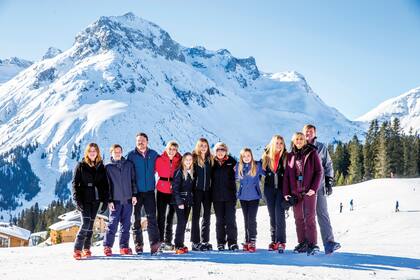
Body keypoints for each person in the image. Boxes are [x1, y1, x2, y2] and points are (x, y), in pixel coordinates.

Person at [303, 124, 341, 254]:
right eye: (306, 131)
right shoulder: (299, 146)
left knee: (323, 214)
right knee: (307, 216)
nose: (308, 133)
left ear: (315, 133)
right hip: (304, 189)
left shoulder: (321, 147)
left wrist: (329, 181)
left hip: (319, 187)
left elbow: (328, 165)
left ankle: (329, 243)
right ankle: (308, 243)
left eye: (311, 131)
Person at [283, 132, 322, 255]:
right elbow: (287, 176)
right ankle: (302, 243)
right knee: (298, 218)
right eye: (297, 139)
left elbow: (319, 172)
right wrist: (286, 193)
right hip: (296, 192)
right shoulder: (290, 156)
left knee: (309, 217)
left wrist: (314, 188)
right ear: (293, 141)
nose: (299, 141)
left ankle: (312, 244)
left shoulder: (312, 153)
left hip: (309, 191)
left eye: (301, 139)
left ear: (305, 140)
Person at [71, 143, 109, 260]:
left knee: (91, 225)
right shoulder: (81, 165)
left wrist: (105, 201)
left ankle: (86, 248)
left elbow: (104, 185)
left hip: (96, 199)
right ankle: (77, 249)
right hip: (84, 198)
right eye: (90, 151)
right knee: (85, 223)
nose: (92, 152)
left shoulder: (100, 166)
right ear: (87, 152)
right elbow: (74, 184)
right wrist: (77, 200)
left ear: (97, 152)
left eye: (94, 150)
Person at [127, 132, 161, 255]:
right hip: (136, 193)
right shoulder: (131, 156)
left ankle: (154, 244)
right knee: (135, 219)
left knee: (151, 218)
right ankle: (139, 245)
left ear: (147, 141)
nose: (140, 143)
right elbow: (127, 174)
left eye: (142, 141)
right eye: (138, 141)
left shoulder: (154, 154)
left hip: (150, 192)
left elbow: (163, 166)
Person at [103, 144, 138, 256]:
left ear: (122, 152)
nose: (117, 154)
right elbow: (106, 185)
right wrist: (109, 200)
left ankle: (124, 247)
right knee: (112, 224)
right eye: (115, 152)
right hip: (115, 201)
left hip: (128, 200)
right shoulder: (108, 167)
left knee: (126, 225)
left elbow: (133, 180)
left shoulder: (128, 165)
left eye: (119, 152)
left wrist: (134, 195)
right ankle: (107, 246)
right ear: (111, 153)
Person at [262, 135, 288, 253]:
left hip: (281, 190)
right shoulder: (266, 157)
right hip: (269, 190)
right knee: (272, 215)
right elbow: (258, 171)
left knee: (280, 214)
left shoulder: (286, 157)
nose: (278, 145)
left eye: (281, 143)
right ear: (272, 144)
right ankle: (274, 241)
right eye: (276, 143)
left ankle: (281, 241)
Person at [211, 142, 239, 251]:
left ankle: (232, 242)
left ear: (226, 151)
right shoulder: (212, 163)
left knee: (231, 220)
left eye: (222, 150)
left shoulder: (232, 162)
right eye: (218, 150)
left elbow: (239, 174)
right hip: (217, 196)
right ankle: (220, 243)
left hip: (230, 196)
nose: (220, 152)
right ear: (215, 151)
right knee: (220, 221)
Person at [235, 148, 264, 253]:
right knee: (246, 219)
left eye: (248, 155)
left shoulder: (257, 166)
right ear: (241, 158)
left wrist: (263, 160)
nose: (246, 158)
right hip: (243, 197)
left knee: (251, 219)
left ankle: (252, 240)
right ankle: (247, 240)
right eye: (244, 156)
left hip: (254, 196)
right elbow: (234, 178)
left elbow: (266, 172)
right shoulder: (239, 167)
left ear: (251, 156)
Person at [155, 141, 182, 250]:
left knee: (170, 216)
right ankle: (160, 241)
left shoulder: (179, 160)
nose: (171, 151)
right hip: (161, 189)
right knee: (160, 216)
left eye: (174, 149)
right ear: (166, 149)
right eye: (170, 149)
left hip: (174, 191)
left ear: (177, 151)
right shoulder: (159, 159)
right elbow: (151, 171)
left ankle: (168, 241)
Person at [191, 138, 214, 251]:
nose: (204, 148)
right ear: (198, 147)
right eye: (201, 145)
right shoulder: (194, 158)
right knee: (195, 216)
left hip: (207, 191)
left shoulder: (210, 159)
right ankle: (195, 242)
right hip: (196, 191)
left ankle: (205, 240)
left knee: (206, 216)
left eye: (205, 145)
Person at [172, 152, 195, 254]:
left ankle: (181, 243)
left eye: (190, 160)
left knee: (184, 222)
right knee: (181, 222)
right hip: (180, 201)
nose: (188, 161)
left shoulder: (192, 172)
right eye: (186, 160)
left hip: (188, 201)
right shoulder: (179, 172)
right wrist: (179, 202)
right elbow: (175, 188)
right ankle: (177, 245)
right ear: (183, 161)